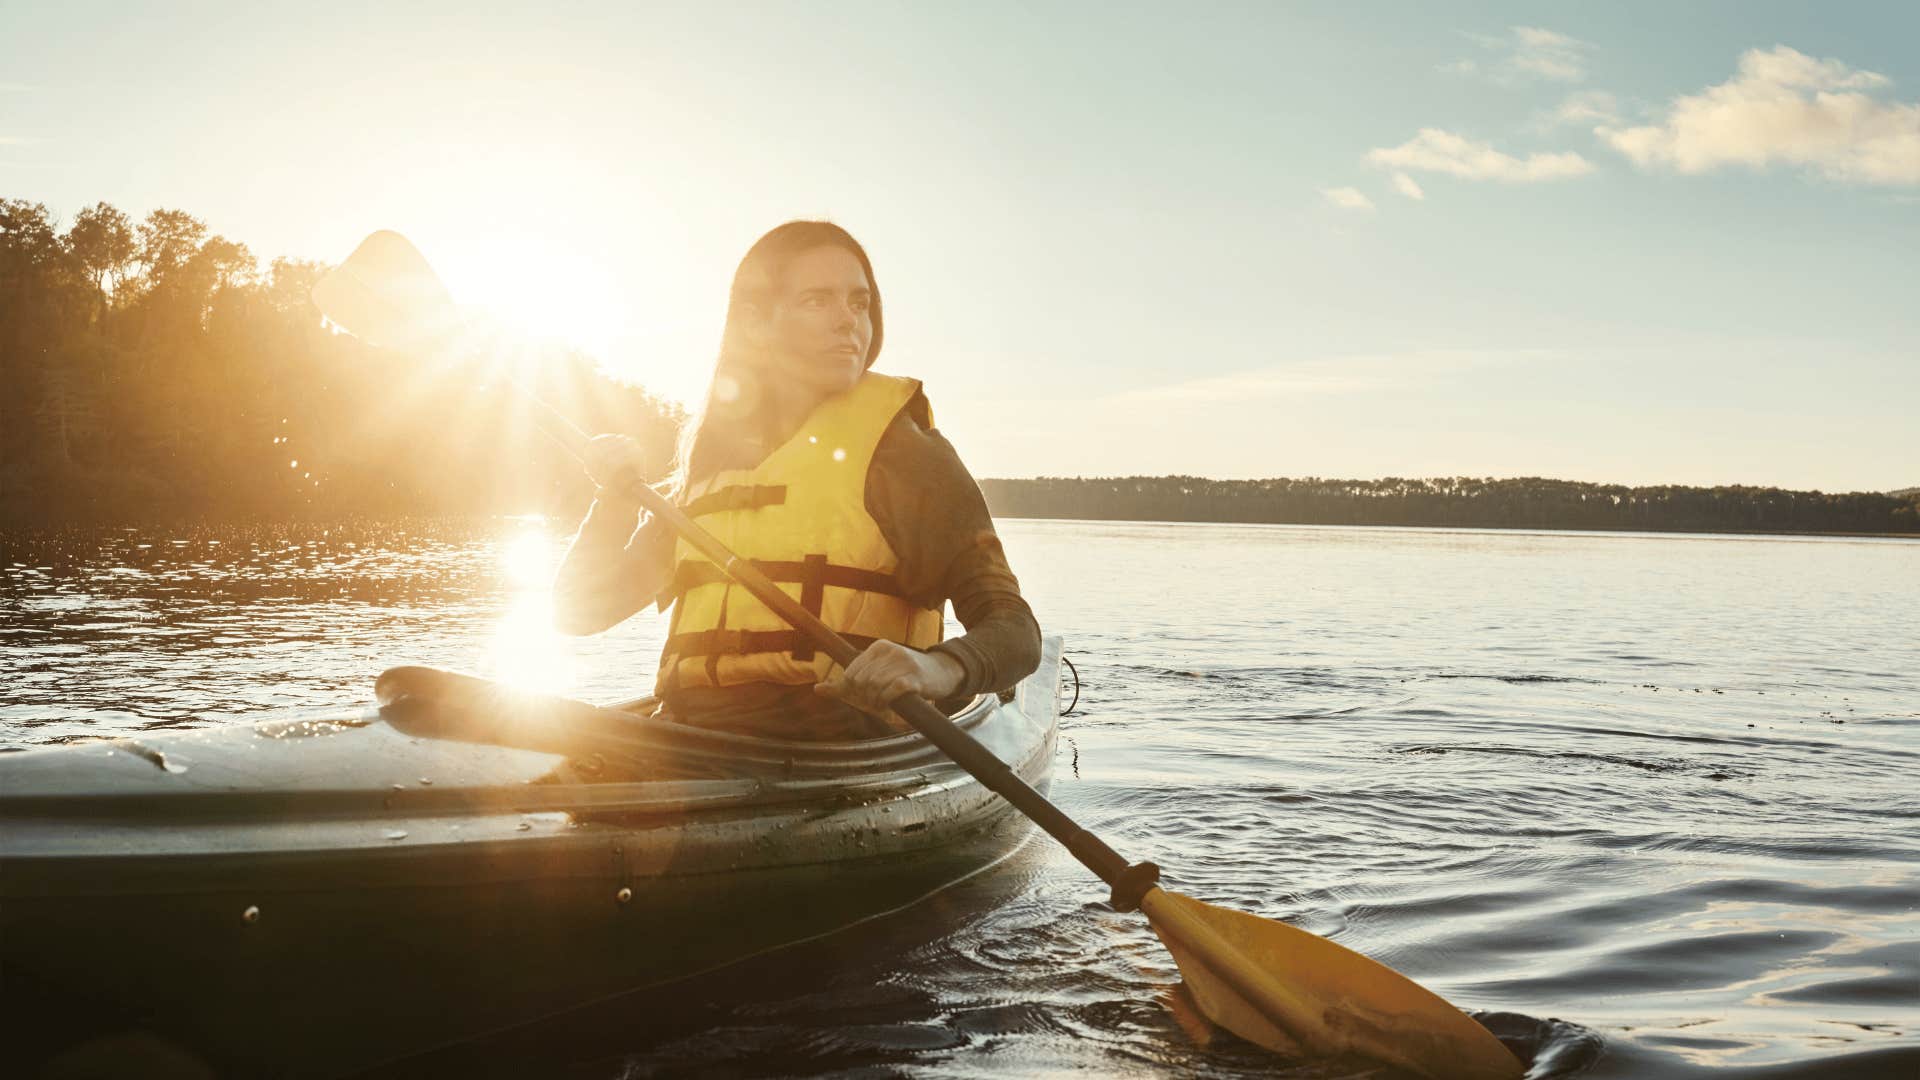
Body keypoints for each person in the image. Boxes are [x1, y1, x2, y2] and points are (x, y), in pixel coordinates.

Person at [552, 221, 1040, 739]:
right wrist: (612, 503)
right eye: (817, 301)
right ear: (756, 322)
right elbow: (578, 613)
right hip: (695, 737)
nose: (848, 322)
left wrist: (935, 669)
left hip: (846, 743)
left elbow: (1015, 631)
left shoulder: (904, 454)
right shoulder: (710, 468)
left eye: (859, 302)